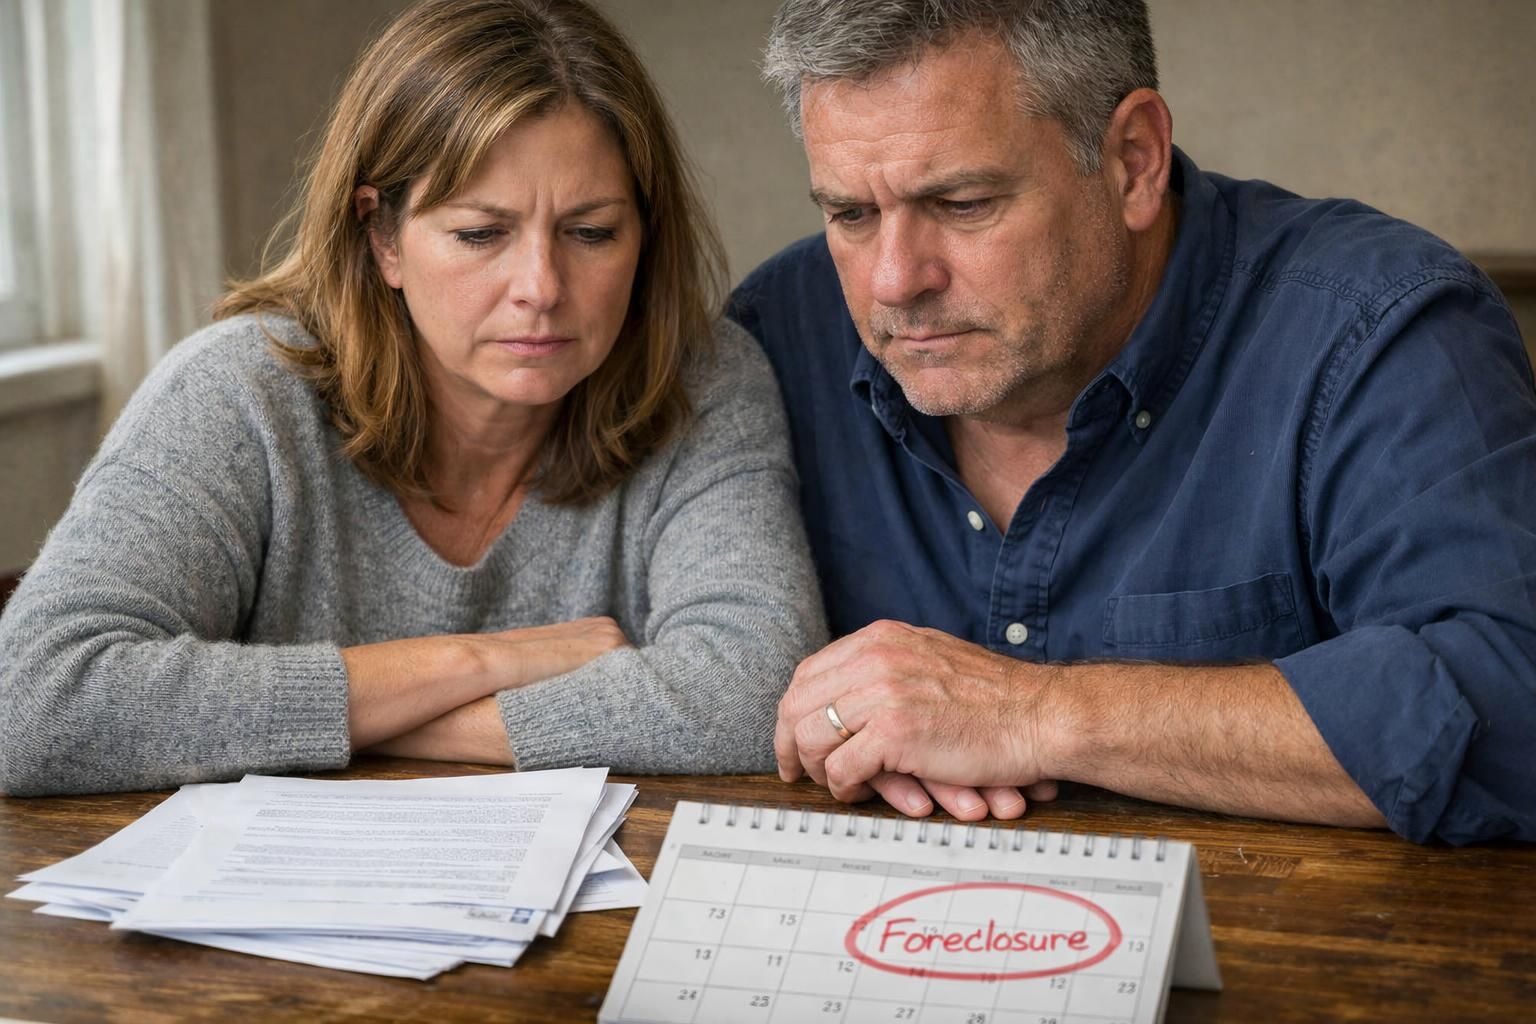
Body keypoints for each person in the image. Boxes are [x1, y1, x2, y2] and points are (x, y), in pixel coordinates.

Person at [730, 0, 1536, 844]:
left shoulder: (1376, 328)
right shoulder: (775, 339)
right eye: (851, 215)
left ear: (1133, 161)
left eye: (963, 202)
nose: (895, 281)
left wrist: (1037, 714)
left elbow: (1511, 705)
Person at [0, 0, 826, 797]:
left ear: (644, 238)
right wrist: (481, 660)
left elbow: (758, 693)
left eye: (591, 233)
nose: (540, 288)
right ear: (382, 236)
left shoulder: (704, 380)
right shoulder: (237, 392)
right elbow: (35, 703)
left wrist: (376, 719)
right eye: (480, 234)